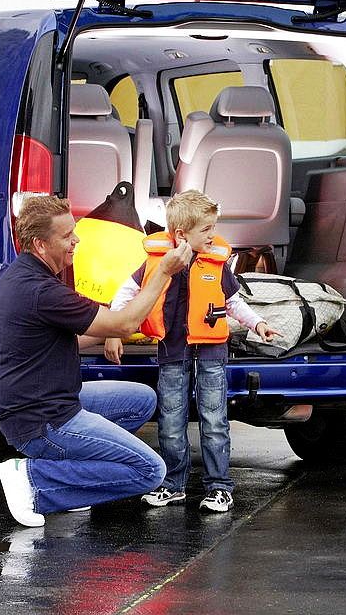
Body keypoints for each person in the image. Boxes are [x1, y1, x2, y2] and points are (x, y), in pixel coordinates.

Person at [0, 195, 193, 528]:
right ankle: (35, 481)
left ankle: (73, 484)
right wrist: (163, 272)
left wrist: (109, 331)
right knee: (150, 470)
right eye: (67, 236)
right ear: (40, 244)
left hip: (40, 404)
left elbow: (77, 336)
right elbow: (125, 322)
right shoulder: (42, 290)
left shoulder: (24, 275)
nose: (77, 240)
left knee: (142, 400)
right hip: (42, 421)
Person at [104, 190, 280, 513]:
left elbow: (233, 302)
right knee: (171, 420)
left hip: (212, 352)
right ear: (182, 235)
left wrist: (257, 324)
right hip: (172, 349)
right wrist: (115, 331)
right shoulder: (156, 262)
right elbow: (125, 291)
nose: (212, 236)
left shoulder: (217, 263)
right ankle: (174, 485)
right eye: (206, 230)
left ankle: (219, 487)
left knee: (214, 419)